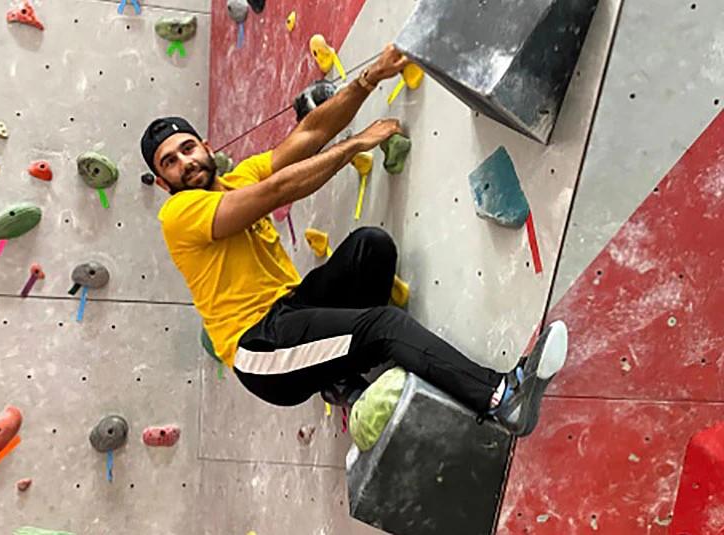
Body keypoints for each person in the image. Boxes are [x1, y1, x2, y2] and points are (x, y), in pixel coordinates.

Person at [140, 44, 567, 437]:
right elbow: (276, 192)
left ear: (207, 147)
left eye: (187, 148)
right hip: (261, 350)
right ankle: (503, 399)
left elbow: (309, 135)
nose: (185, 163)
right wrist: (354, 147)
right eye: (170, 163)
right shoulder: (178, 214)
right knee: (382, 326)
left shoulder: (238, 177)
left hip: (292, 308)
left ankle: (341, 376)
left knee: (370, 247)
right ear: (163, 182)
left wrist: (369, 79)